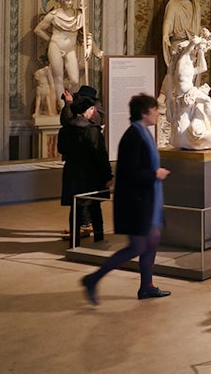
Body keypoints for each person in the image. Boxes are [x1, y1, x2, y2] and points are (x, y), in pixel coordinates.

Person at [81, 94, 171, 305]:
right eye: (154, 110)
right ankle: (92, 278)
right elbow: (129, 174)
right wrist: (155, 174)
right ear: (144, 113)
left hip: (148, 201)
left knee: (152, 243)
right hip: (137, 203)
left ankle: (146, 287)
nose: (158, 114)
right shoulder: (134, 136)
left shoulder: (144, 134)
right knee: (138, 247)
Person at [58, 96, 112, 246]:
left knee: (75, 208)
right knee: (95, 206)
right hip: (90, 173)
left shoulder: (65, 130)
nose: (94, 111)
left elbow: (61, 149)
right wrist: (108, 175)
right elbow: (100, 155)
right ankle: (99, 239)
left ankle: (74, 243)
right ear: (85, 111)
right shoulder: (92, 131)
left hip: (72, 172)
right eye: (91, 108)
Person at [34, 0, 94, 110]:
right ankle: (62, 106)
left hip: (70, 49)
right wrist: (50, 39)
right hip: (55, 47)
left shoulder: (79, 15)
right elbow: (38, 29)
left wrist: (90, 49)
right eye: (67, 0)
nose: (70, 2)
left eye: (72, 0)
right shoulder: (53, 15)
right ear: (61, 1)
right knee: (58, 77)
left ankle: (72, 103)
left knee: (75, 79)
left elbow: (87, 34)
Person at [162, 0, 202, 67]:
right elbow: (168, 21)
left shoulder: (195, 6)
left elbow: (197, 25)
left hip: (192, 42)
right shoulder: (173, 5)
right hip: (177, 41)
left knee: (190, 70)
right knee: (176, 68)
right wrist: (165, 34)